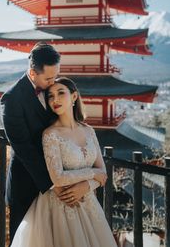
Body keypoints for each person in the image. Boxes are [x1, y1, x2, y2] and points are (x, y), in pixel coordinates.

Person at [10, 77, 117, 247]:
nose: (55, 99)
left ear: (74, 97)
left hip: (88, 203)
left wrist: (87, 186)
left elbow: (102, 172)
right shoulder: (51, 134)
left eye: (61, 93)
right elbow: (58, 178)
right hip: (60, 205)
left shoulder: (88, 130)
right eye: (50, 96)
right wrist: (93, 174)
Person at [2, 43, 87, 245]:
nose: (52, 84)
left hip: (60, 180)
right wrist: (53, 185)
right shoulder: (12, 99)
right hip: (28, 184)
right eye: (48, 78)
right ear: (32, 73)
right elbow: (24, 149)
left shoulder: (52, 90)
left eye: (55, 77)